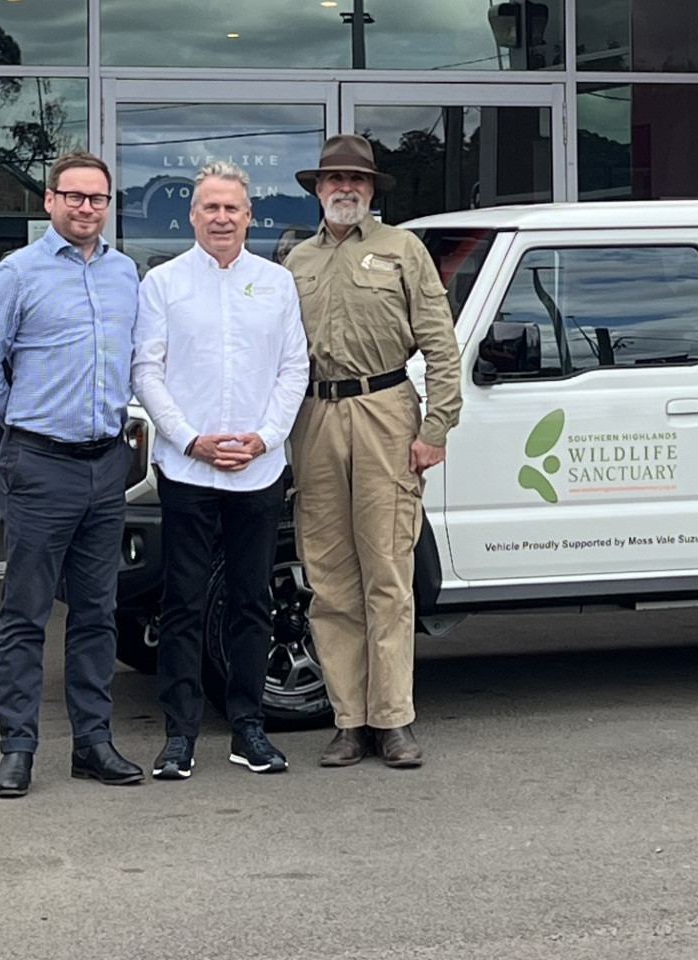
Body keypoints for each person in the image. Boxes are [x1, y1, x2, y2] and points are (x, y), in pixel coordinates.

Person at [0, 151, 144, 798]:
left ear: (107, 205)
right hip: (38, 464)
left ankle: (93, 743)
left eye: (97, 199)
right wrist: (23, 422)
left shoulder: (126, 274)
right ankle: (17, 747)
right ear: (49, 201)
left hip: (105, 464)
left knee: (97, 611)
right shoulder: (18, 273)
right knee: (26, 612)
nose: (86, 208)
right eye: (74, 197)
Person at [284, 134, 462, 768]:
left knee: (388, 571)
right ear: (317, 189)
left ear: (371, 190)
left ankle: (393, 721)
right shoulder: (295, 260)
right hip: (313, 417)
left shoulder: (402, 250)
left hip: (385, 412)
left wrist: (435, 429)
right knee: (329, 579)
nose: (346, 189)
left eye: (358, 181)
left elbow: (441, 346)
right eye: (335, 180)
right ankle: (348, 720)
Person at [132, 162, 309, 780]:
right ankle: (179, 734)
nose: (222, 218)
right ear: (192, 215)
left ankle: (248, 728)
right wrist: (191, 439)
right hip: (187, 469)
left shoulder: (276, 283)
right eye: (210, 207)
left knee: (250, 603)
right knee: (181, 602)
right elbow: (146, 371)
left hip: (259, 473)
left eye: (232, 208)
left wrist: (263, 439)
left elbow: (294, 370)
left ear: (250, 215)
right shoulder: (162, 283)